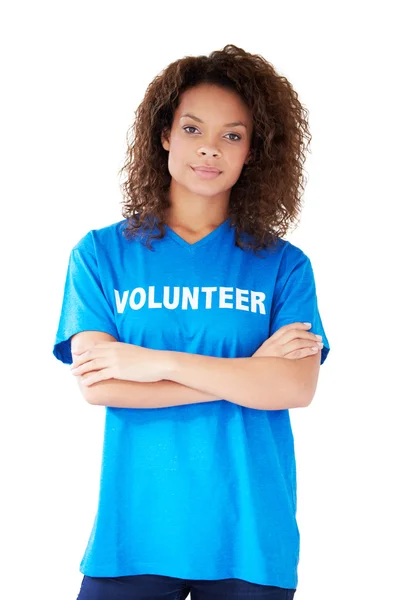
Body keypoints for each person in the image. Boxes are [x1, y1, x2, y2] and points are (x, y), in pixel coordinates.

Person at [53, 44, 330, 600]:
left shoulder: (283, 264)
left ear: (254, 151)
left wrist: (152, 362)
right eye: (192, 129)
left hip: (250, 535)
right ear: (163, 135)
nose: (210, 149)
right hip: (132, 534)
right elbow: (101, 384)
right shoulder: (102, 254)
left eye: (232, 135)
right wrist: (247, 376)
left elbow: (294, 387)